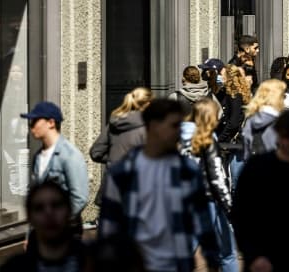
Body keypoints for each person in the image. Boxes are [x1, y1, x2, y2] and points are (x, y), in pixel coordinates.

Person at [98, 99, 220, 272]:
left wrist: (212, 260)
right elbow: (108, 228)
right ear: (154, 125)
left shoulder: (187, 170)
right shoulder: (122, 173)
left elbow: (203, 222)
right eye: (174, 125)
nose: (179, 132)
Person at [233, 110, 289, 272]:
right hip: (261, 260)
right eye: (286, 136)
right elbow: (241, 214)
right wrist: (253, 255)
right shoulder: (256, 168)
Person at [22, 102, 89, 238]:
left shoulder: (69, 155)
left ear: (51, 123)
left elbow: (80, 198)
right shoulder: (38, 157)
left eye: (35, 120)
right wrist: (31, 235)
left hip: (66, 232)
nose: (31, 125)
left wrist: (56, 223)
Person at [189, 99, 237, 272]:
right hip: (207, 200)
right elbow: (217, 177)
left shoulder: (177, 137)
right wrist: (230, 208)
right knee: (228, 252)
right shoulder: (207, 140)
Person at [1, 181, 87, 272]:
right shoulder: (14, 268)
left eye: (56, 205)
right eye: (39, 208)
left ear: (68, 211)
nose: (48, 213)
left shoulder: (91, 260)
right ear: (30, 218)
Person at [90, 87, 152, 204]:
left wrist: (114, 160)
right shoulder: (149, 128)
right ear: (148, 104)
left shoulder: (114, 123)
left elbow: (96, 152)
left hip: (112, 189)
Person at [242, 79, 286, 159]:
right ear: (277, 96)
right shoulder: (280, 122)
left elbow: (247, 148)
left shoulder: (251, 119)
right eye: (283, 95)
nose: (284, 98)